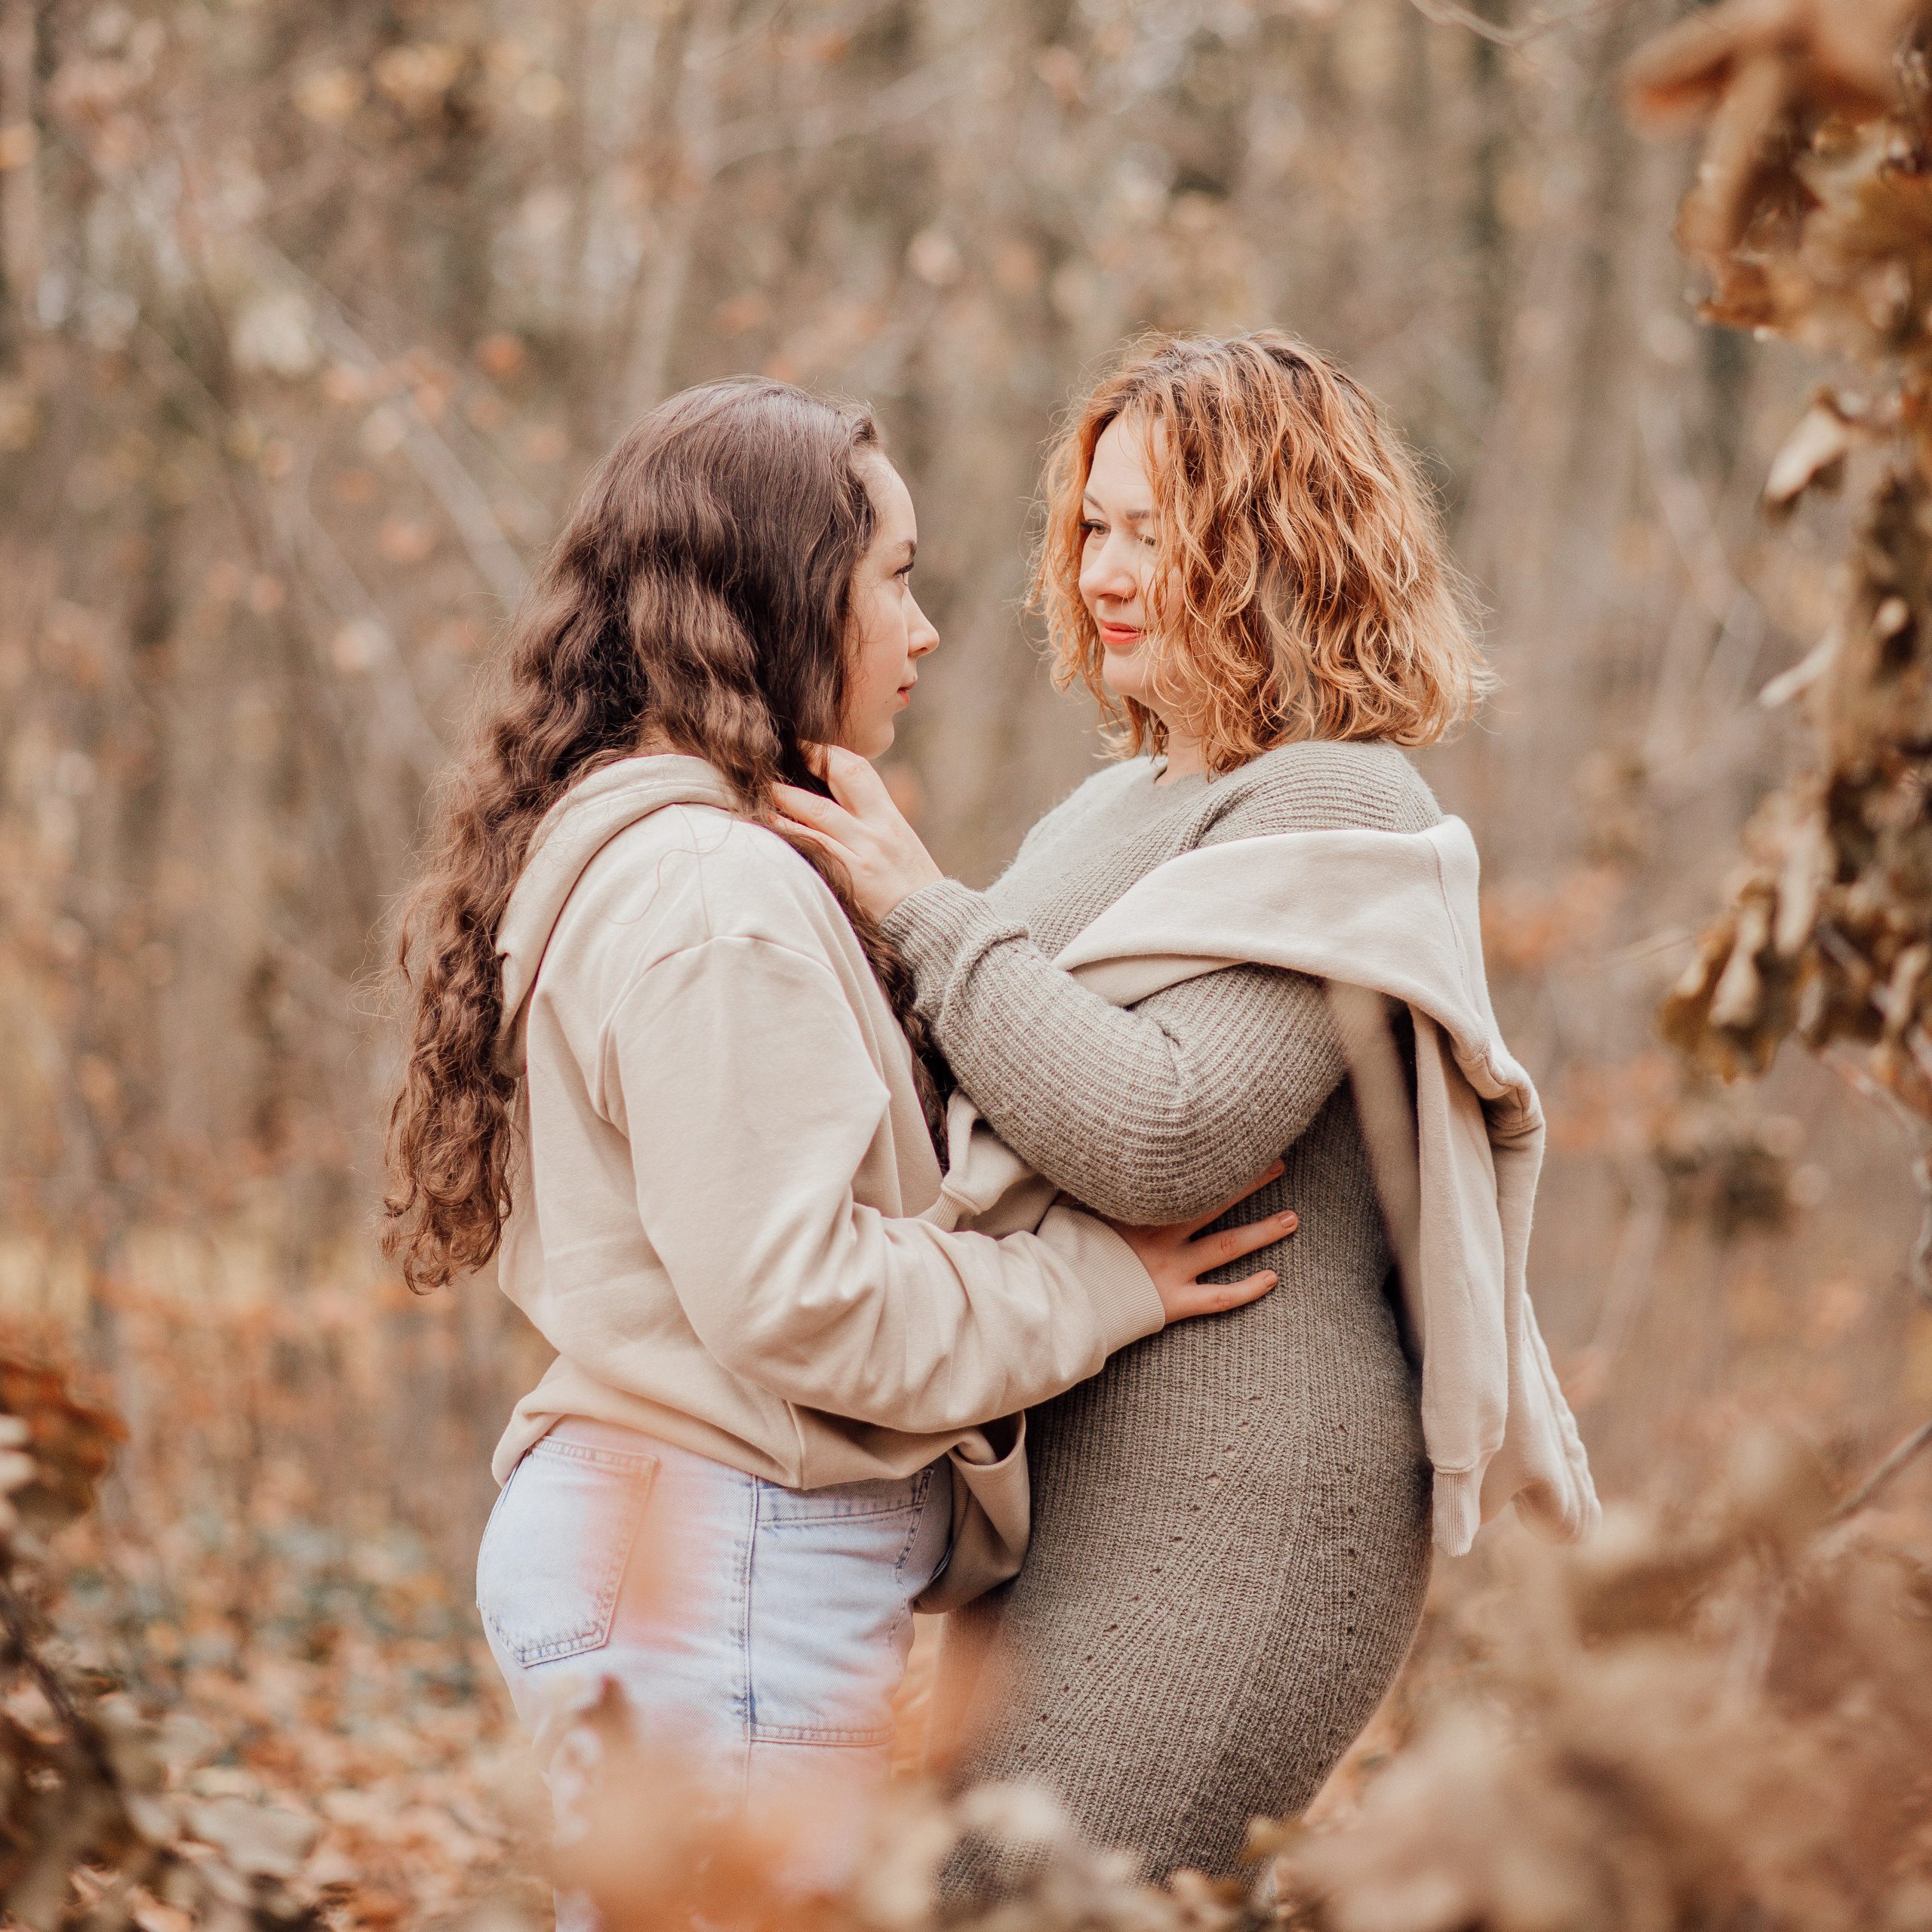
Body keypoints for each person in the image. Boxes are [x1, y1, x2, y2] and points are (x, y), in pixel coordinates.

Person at [377, 378, 1291, 1890]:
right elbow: (798, 1292)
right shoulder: (707, 897)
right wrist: (1096, 1283)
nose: (924, 629)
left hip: (695, 1560)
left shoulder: (684, 856)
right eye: (895, 576)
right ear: (780, 595)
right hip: (721, 1571)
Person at [776, 331, 1560, 1883]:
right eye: (1096, 525)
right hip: (1066, 1488)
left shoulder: (1341, 797)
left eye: (1158, 532)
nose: (1106, 567)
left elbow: (1163, 1130)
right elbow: (992, 1065)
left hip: (1244, 1519)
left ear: (1278, 548)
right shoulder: (1113, 802)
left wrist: (924, 908)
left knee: (1033, 1901)